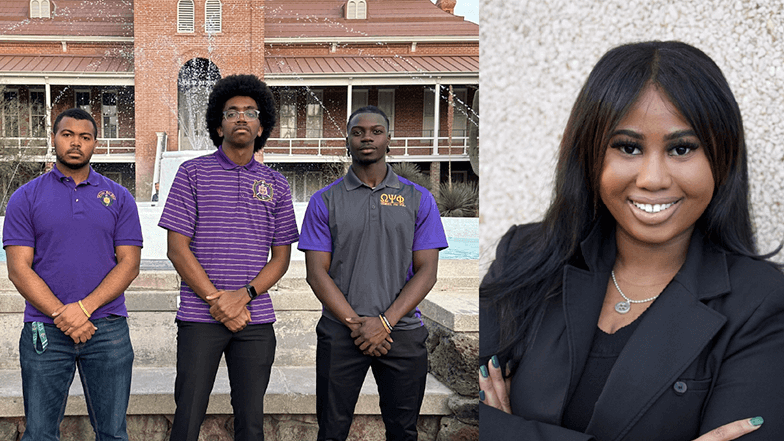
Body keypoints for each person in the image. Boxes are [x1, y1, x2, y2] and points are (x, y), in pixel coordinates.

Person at [478, 41, 784, 441]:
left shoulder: (762, 302)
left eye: (681, 148)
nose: (652, 178)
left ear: (722, 157)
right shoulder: (525, 256)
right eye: (628, 147)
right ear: (590, 154)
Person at [158, 74, 298, 441]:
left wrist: (242, 297)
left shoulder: (278, 185)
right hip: (198, 316)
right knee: (187, 414)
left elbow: (280, 258)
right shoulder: (192, 173)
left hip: (255, 318)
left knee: (251, 421)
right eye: (231, 112)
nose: (240, 118)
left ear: (261, 125)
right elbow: (177, 247)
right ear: (217, 126)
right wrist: (216, 300)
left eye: (249, 112)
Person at [298, 105, 449, 441]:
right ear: (347, 141)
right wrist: (358, 325)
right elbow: (316, 273)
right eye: (358, 131)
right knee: (332, 431)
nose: (367, 137)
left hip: (402, 331)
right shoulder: (324, 201)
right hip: (341, 332)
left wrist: (384, 323)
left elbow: (427, 272)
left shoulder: (418, 199)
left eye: (375, 131)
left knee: (403, 431)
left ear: (388, 140)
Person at [3, 108, 143, 440]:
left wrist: (83, 309)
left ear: (95, 143)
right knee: (39, 434)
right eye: (67, 135)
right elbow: (18, 269)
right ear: (54, 139)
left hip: (107, 328)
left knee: (112, 433)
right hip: (45, 331)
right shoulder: (26, 197)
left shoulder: (119, 197)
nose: (75, 143)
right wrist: (61, 313)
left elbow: (129, 263)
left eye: (85, 136)